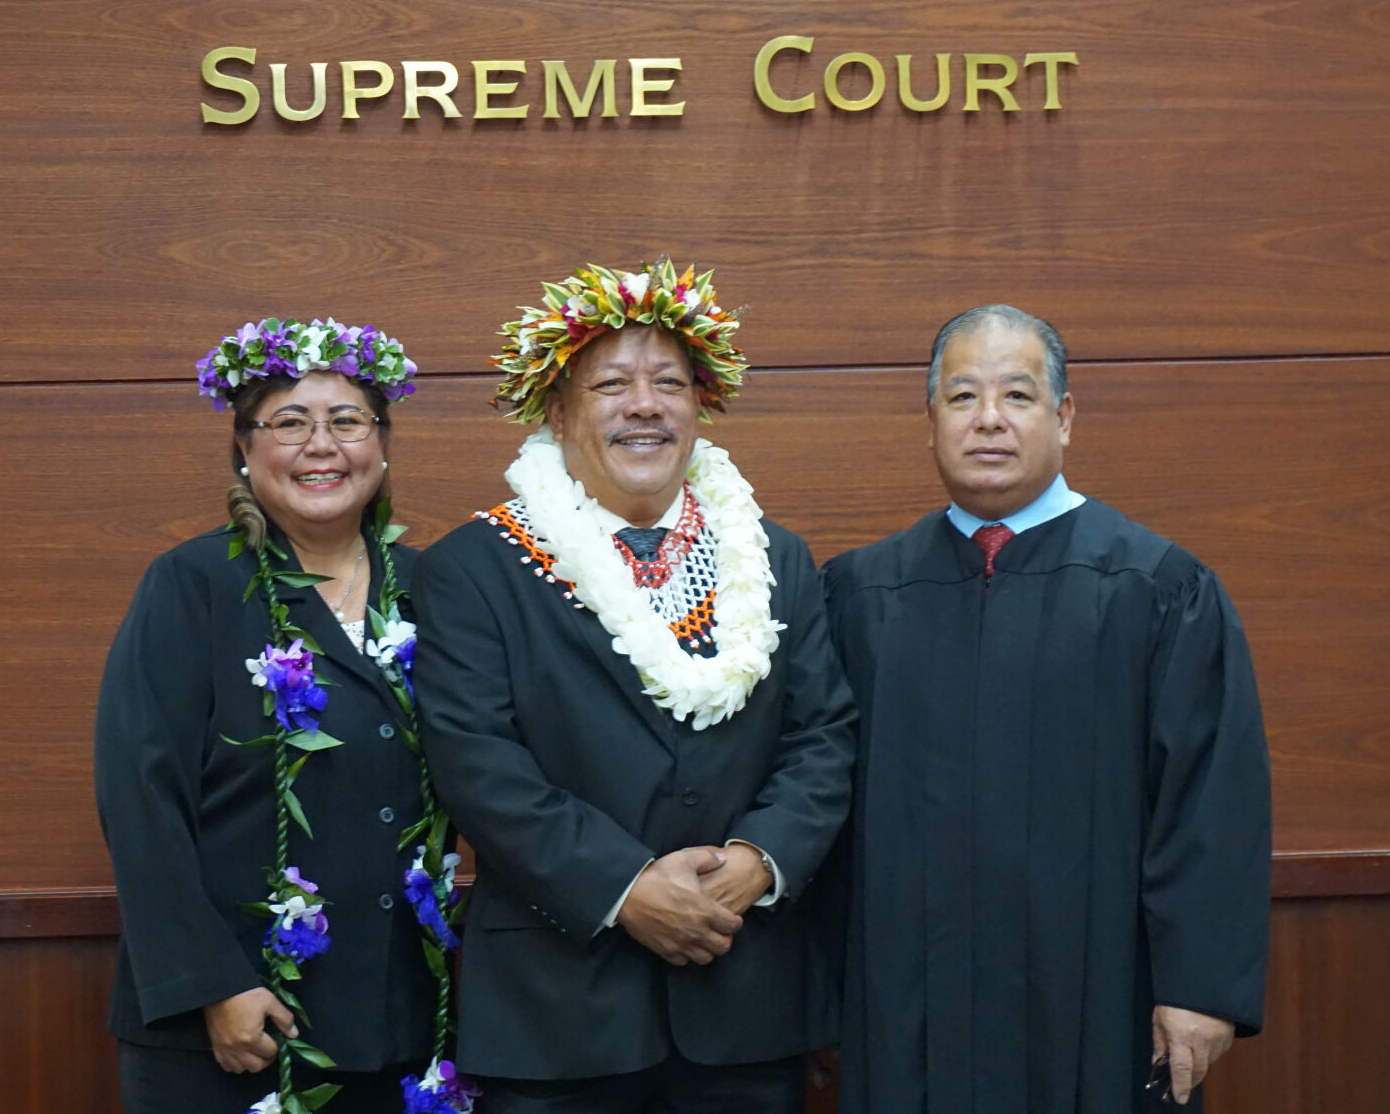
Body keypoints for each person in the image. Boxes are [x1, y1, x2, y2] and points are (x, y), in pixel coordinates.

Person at [412, 259, 858, 1113]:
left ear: (700, 404)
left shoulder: (774, 557)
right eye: (611, 384)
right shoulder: (474, 568)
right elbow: (477, 763)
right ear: (558, 411)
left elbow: (822, 735)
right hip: (556, 1010)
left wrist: (755, 862)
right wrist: (626, 886)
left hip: (744, 997)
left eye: (668, 383)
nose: (644, 404)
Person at [822, 304, 1272, 1113]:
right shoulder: (861, 595)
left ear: (1063, 417)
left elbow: (1211, 801)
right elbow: (819, 796)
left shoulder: (1157, 587)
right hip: (905, 998)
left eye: (1018, 396)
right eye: (961, 397)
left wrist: (1200, 987)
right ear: (929, 421)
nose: (987, 420)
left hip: (1101, 999)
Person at [95, 318, 453, 1114]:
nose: (321, 445)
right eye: (290, 422)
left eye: (347, 421)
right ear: (244, 450)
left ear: (382, 445)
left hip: (398, 1017)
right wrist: (213, 984)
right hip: (233, 1025)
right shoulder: (193, 586)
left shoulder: (436, 589)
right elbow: (140, 798)